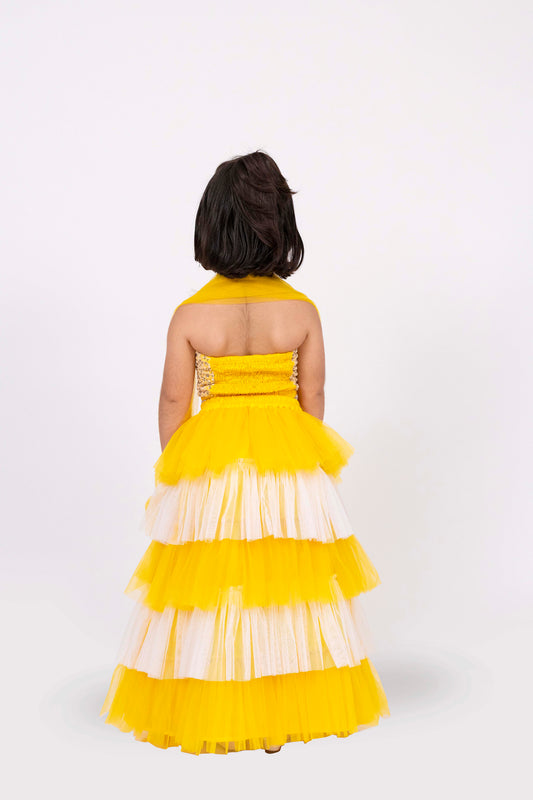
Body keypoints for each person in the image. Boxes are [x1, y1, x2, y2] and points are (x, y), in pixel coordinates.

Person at [99, 150, 390, 755]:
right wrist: (301, 465)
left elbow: (173, 401)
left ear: (212, 226)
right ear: (281, 225)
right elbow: (314, 396)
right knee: (283, 592)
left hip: (212, 467)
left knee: (214, 593)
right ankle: (276, 718)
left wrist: (176, 475)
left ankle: (217, 710)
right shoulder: (302, 311)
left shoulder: (190, 315)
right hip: (285, 466)